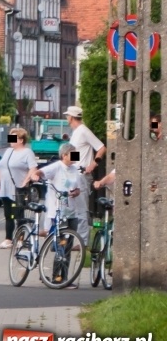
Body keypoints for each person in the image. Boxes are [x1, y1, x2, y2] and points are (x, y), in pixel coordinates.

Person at [31, 143, 87, 289]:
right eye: (73, 154)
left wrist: (76, 192)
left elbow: (78, 188)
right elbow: (40, 173)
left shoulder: (75, 170)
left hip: (71, 211)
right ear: (64, 155)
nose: (76, 156)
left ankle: (65, 277)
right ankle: (57, 277)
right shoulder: (56, 167)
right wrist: (35, 176)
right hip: (58, 211)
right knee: (61, 245)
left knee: (67, 246)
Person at [0, 127, 38, 249]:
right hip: (5, 188)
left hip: (18, 188)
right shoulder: (8, 151)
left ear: (21, 140)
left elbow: (33, 168)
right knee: (8, 215)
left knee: (18, 214)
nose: (10, 140)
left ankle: (20, 239)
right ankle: (8, 239)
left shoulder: (27, 152)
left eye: (13, 138)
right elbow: (2, 167)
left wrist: (25, 181)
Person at [65, 105, 104, 245]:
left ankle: (82, 241)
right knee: (72, 206)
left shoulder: (83, 131)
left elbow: (101, 147)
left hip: (81, 174)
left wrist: (93, 164)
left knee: (81, 207)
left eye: (67, 116)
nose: (66, 119)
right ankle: (75, 238)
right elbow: (77, 152)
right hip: (75, 172)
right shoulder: (76, 132)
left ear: (71, 117)